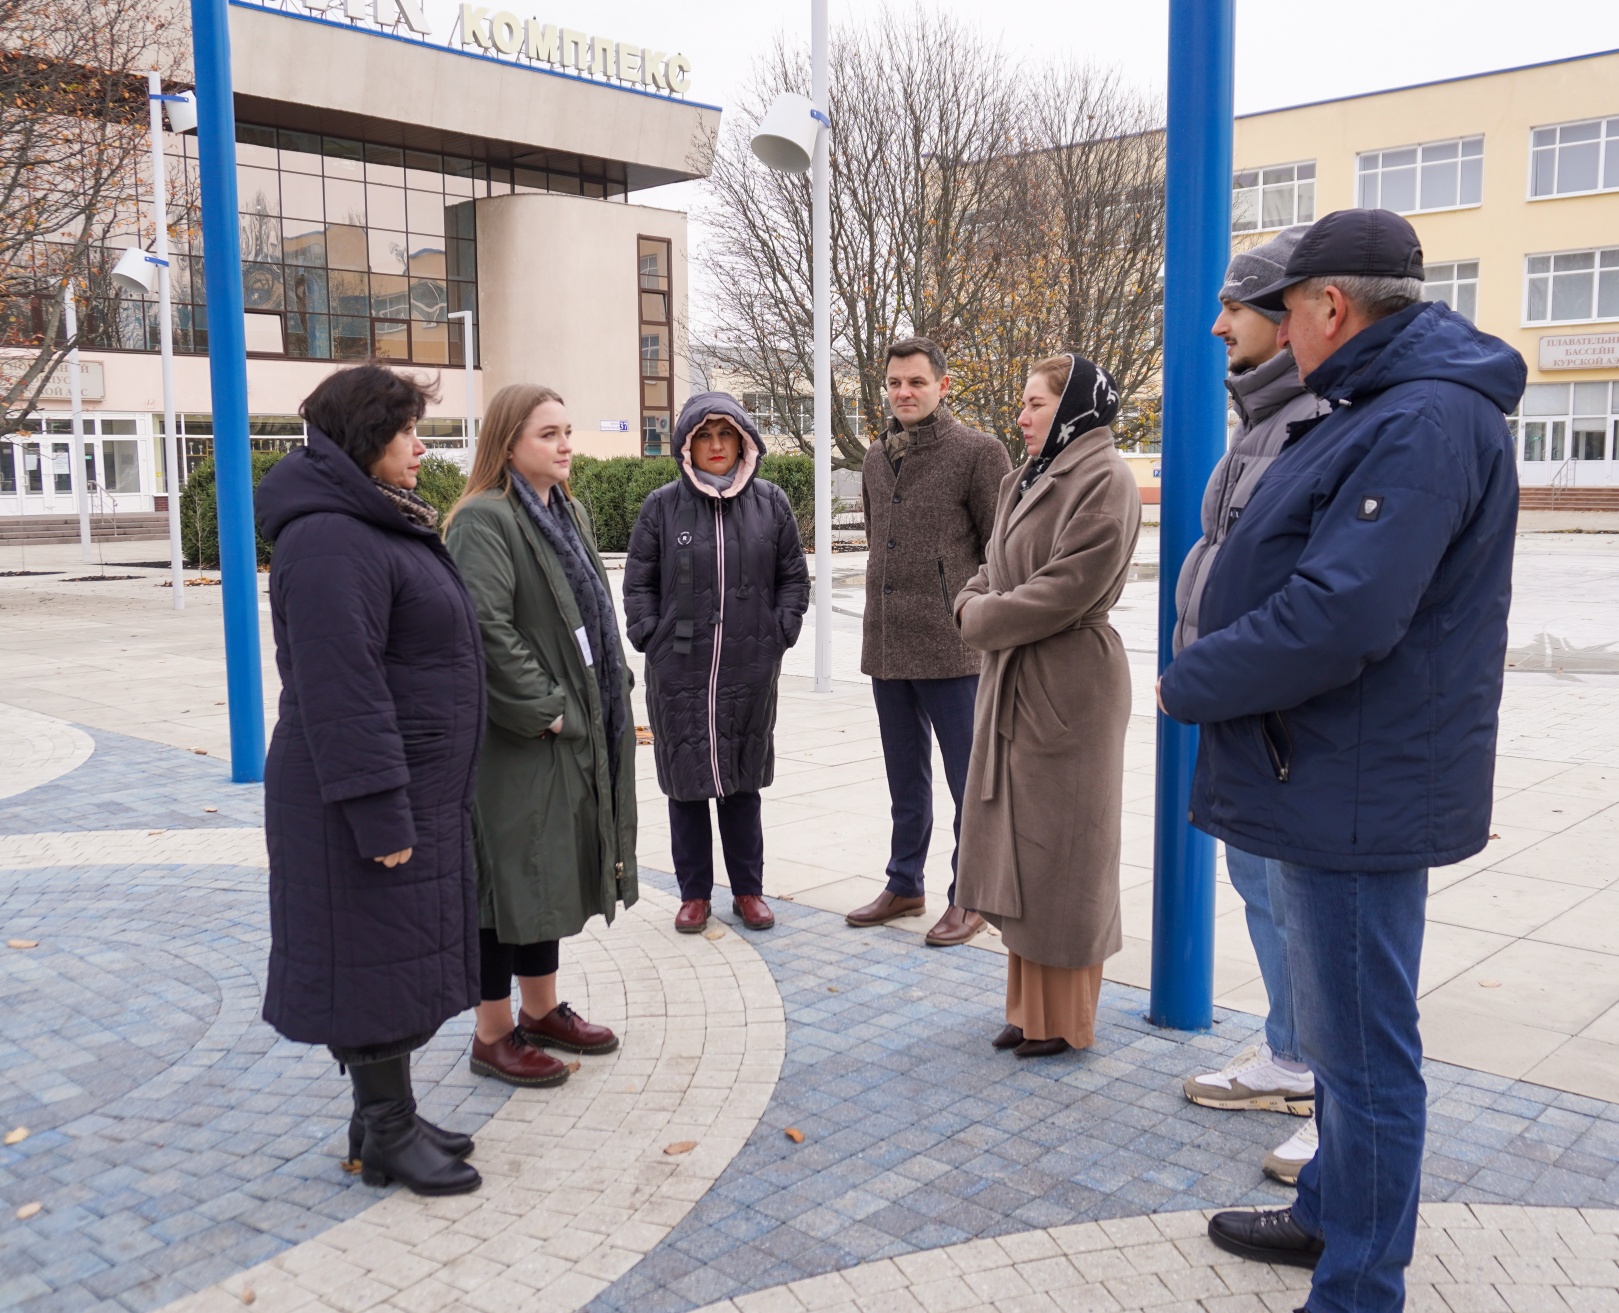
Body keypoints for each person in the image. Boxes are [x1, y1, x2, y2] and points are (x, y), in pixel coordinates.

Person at [1158, 209, 1525, 1313]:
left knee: (1362, 1052)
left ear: (1327, 305)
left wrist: (1193, 680)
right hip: (1327, 768)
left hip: (1357, 782)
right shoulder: (1382, 403)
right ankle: (1329, 1209)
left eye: (1282, 307)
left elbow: (1340, 613)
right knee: (1334, 1031)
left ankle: (1359, 1282)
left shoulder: (1418, 419)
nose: (1260, 324)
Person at [256, 363, 483, 1197]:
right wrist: (380, 813)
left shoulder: (371, 521)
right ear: (364, 439)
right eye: (405, 430)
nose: (420, 446)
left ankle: (384, 1116)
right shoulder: (329, 538)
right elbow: (339, 687)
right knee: (370, 960)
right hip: (353, 797)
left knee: (390, 958)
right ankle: (385, 1131)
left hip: (404, 783)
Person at [1175, 226, 1325, 1188]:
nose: (1217, 323)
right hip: (1241, 710)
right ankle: (1288, 1054)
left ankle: (1327, 1087)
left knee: (1307, 906)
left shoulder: (1319, 421)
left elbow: (1309, 594)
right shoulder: (1261, 418)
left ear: (1292, 315)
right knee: (1257, 888)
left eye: (1236, 307)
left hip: (1284, 719)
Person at [444, 384, 637, 1088]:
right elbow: (484, 629)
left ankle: (540, 1008)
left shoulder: (567, 509)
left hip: (576, 728)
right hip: (520, 740)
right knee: (507, 879)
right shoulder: (483, 520)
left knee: (546, 869)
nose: (565, 445)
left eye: (567, 431)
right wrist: (549, 708)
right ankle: (492, 1031)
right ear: (508, 442)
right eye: (548, 433)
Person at [954, 354, 1140, 1058]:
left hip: (1069, 687)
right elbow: (991, 567)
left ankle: (1065, 1020)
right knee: (1021, 854)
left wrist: (977, 616)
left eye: (1035, 404)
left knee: (1065, 857)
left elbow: (1067, 588)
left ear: (1072, 409)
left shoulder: (1103, 477)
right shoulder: (1022, 477)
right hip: (1017, 677)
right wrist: (976, 598)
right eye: (1024, 403)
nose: (1022, 416)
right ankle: (1028, 1009)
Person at [623, 392, 810, 934]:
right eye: (704, 436)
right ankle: (694, 894)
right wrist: (648, 635)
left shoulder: (771, 503)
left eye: (725, 434)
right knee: (686, 781)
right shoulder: (661, 506)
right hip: (679, 668)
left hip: (749, 666)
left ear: (743, 440)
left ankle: (748, 890)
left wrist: (781, 632)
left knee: (741, 781)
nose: (715, 446)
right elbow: (639, 582)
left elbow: (794, 577)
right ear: (687, 444)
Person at [847, 336, 1012, 946]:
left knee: (967, 780)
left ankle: (969, 898)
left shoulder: (977, 451)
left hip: (952, 646)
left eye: (916, 382)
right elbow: (875, 536)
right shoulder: (874, 456)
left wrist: (976, 616)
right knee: (903, 776)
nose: (903, 393)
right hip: (887, 642)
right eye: (894, 383)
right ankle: (904, 881)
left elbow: (1000, 550)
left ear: (943, 385)